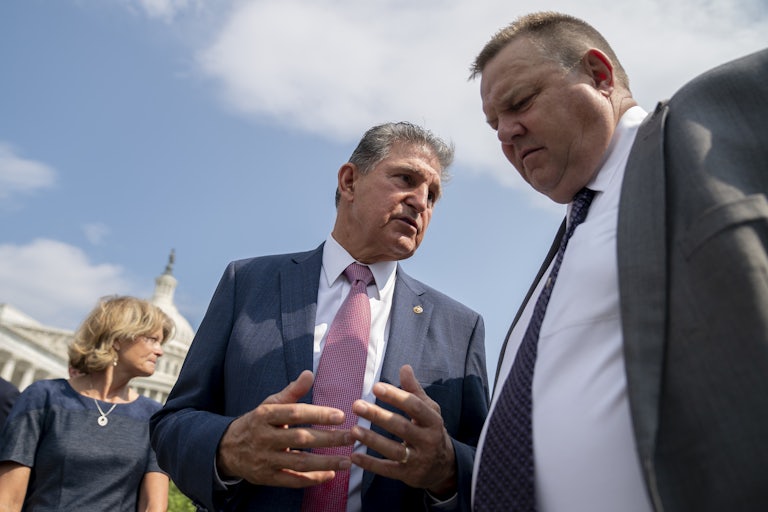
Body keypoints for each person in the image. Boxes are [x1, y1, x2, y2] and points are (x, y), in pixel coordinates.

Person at [468, 10, 768, 512]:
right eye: (494, 123)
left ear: (599, 75)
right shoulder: (561, 251)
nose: (506, 134)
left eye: (520, 103)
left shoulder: (709, 123)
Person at [150, 121, 489, 512]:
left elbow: (486, 464)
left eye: (432, 195)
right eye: (406, 179)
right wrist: (228, 446)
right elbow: (172, 423)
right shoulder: (247, 283)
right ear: (349, 181)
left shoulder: (460, 328)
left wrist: (446, 469)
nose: (420, 201)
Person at [0, 295, 174, 511]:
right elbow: (7, 500)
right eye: (152, 339)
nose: (160, 351)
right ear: (118, 338)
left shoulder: (154, 418)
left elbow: (153, 507)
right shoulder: (44, 397)